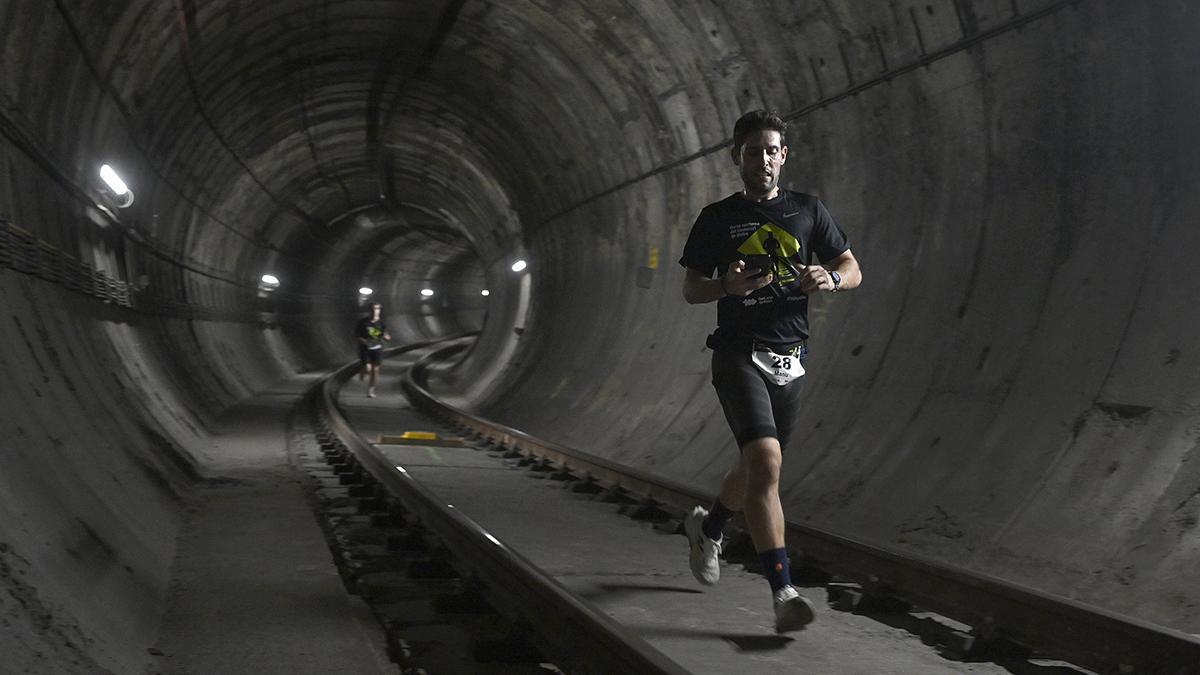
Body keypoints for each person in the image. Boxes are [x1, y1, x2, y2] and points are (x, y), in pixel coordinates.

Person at [677, 109, 862, 633]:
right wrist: (726, 288)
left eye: (773, 150)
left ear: (784, 156)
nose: (765, 159)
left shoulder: (807, 210)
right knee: (767, 461)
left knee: (759, 467)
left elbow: (853, 268)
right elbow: (692, 289)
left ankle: (709, 528)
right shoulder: (716, 217)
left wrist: (831, 277)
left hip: (789, 357)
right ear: (738, 157)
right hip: (736, 351)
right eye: (754, 150)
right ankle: (783, 592)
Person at [355, 302, 391, 397]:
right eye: (373, 309)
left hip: (377, 348)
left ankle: (371, 390)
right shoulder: (363, 322)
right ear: (370, 310)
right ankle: (363, 369)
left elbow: (386, 335)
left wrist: (386, 337)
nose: (375, 311)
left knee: (375, 370)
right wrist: (364, 341)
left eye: (377, 309)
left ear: (379, 310)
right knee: (368, 369)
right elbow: (357, 335)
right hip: (365, 348)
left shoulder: (382, 323)